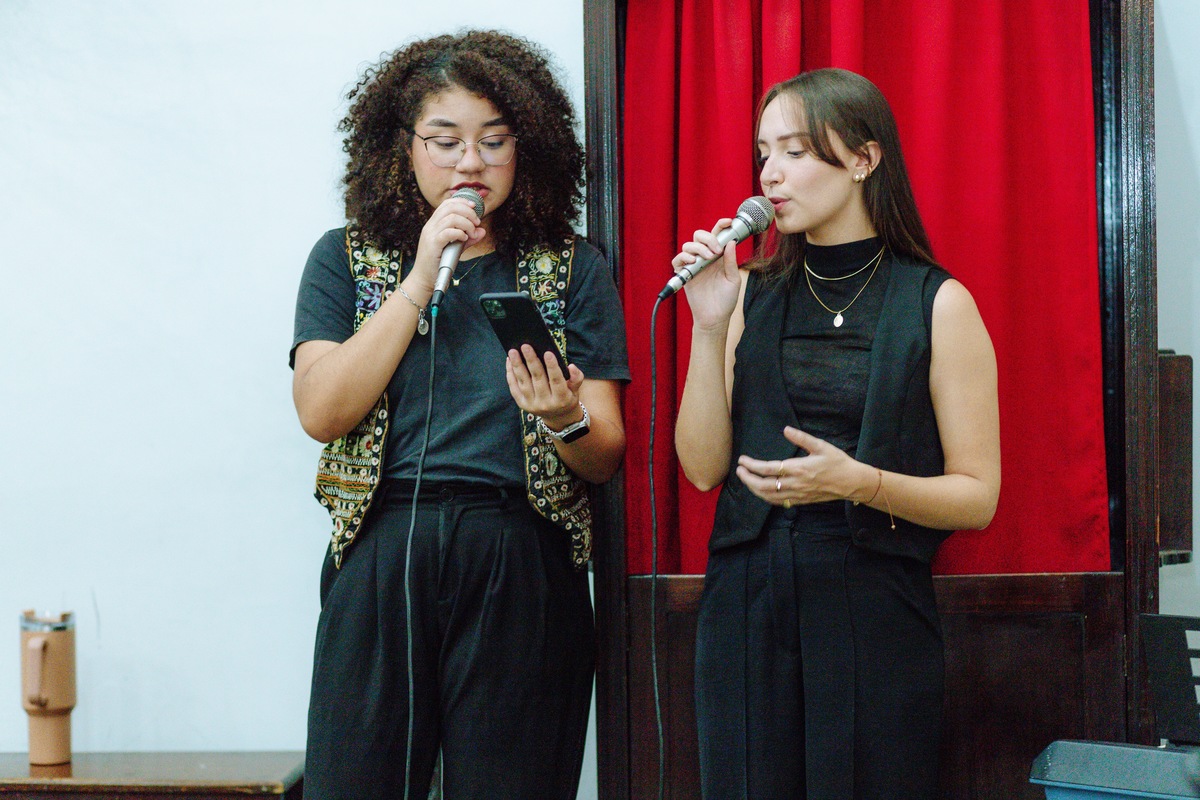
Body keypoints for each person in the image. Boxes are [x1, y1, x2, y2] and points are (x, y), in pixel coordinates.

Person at [290, 30, 629, 800]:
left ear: (526, 148)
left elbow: (604, 454)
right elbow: (321, 409)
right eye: (444, 142)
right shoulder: (345, 259)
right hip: (383, 545)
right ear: (401, 149)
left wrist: (562, 417)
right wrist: (417, 280)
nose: (469, 164)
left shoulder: (571, 266)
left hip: (520, 552)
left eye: (493, 141)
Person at [671, 68, 1000, 799]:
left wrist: (859, 482)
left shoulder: (938, 303)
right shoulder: (751, 290)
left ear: (862, 159)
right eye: (764, 153)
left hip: (874, 601)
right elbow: (700, 468)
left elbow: (978, 497)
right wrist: (710, 326)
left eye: (794, 150)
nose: (769, 174)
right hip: (747, 597)